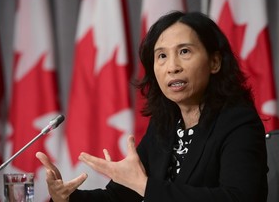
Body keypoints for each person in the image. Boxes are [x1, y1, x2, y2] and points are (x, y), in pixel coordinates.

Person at [36, 11, 268, 202]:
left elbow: (237, 197)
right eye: (161, 56)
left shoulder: (239, 123)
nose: (172, 67)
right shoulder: (164, 126)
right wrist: (66, 197)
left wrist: (145, 186)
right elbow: (120, 197)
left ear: (215, 62)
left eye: (184, 52)